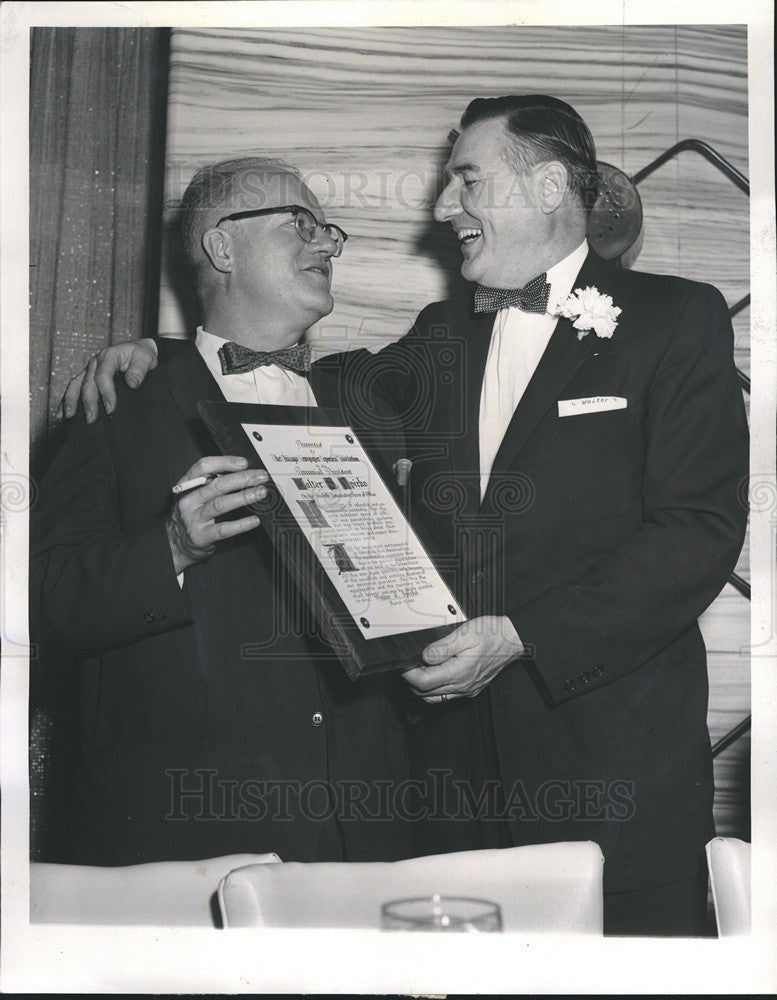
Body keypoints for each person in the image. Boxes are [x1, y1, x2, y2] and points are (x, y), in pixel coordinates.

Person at [62, 96, 749, 935]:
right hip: (444, 798)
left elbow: (697, 533)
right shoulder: (439, 335)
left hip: (611, 783)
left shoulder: (676, 318)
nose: (440, 208)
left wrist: (522, 635)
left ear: (545, 186)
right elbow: (281, 377)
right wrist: (159, 354)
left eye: (466, 180)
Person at [32, 156, 412, 866]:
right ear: (221, 247)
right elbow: (46, 603)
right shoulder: (119, 404)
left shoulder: (369, 404)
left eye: (328, 232)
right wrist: (169, 546)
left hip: (359, 832)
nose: (326, 245)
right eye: (299, 226)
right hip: (183, 838)